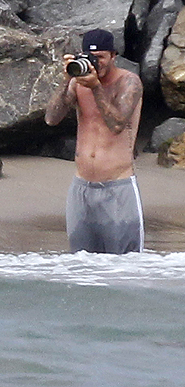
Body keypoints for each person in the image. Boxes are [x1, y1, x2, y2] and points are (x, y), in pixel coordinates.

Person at [45, 28, 145, 254]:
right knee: (81, 265)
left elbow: (117, 124)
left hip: (118, 187)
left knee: (125, 266)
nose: (96, 63)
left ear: (113, 56)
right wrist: (66, 79)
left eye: (101, 57)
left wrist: (96, 88)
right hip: (81, 188)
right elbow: (51, 119)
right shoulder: (78, 83)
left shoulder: (129, 82)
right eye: (91, 57)